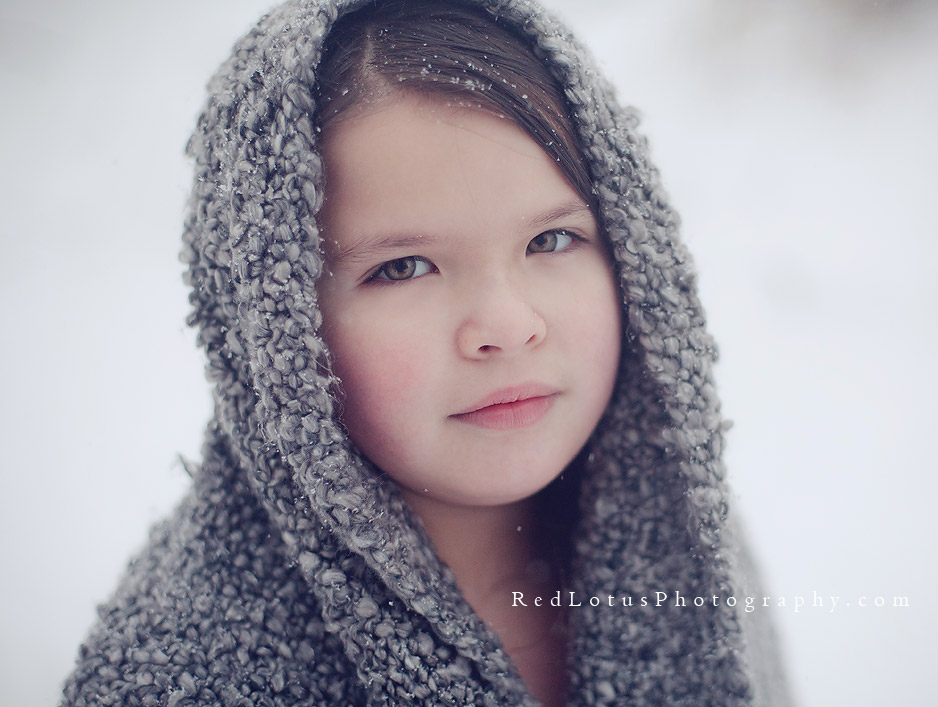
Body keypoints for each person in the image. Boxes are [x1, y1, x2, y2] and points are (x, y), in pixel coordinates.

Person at [62, 0, 790, 705]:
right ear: (274, 327)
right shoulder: (187, 676)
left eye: (551, 240)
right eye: (404, 266)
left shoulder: (687, 535)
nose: (507, 325)